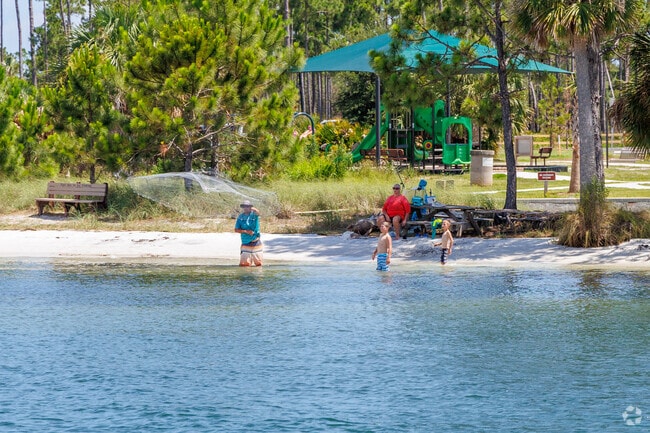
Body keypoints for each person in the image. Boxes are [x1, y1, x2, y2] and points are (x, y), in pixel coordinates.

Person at [234, 200, 263, 266]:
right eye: (244, 206)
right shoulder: (240, 217)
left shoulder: (254, 215)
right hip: (245, 242)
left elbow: (258, 213)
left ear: (250, 207)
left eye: (247, 206)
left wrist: (255, 209)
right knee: (244, 264)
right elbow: (236, 229)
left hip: (255, 241)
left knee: (258, 263)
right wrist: (246, 231)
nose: (245, 208)